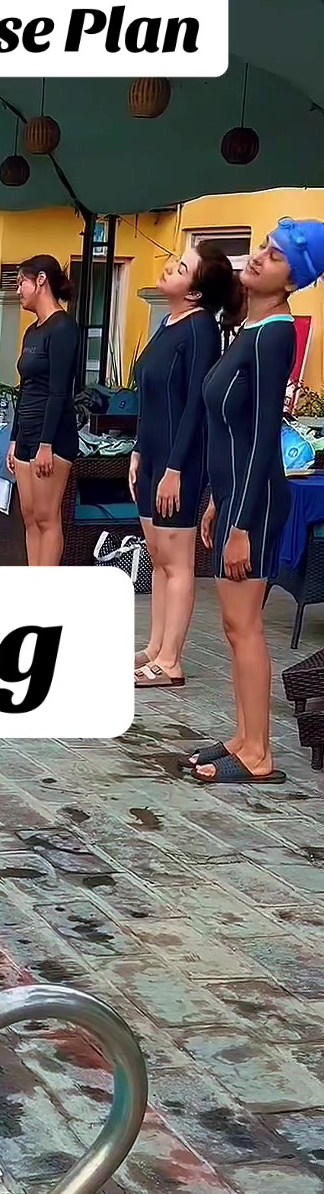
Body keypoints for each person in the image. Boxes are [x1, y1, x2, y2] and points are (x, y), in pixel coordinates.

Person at [191, 218, 324, 786]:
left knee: (245, 625)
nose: (259, 257)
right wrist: (218, 502)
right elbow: (233, 431)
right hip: (238, 497)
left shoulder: (275, 335)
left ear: (293, 278)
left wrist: (242, 521)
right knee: (232, 623)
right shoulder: (251, 329)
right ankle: (244, 738)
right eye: (263, 247)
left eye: (276, 255)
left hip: (258, 502)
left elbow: (265, 434)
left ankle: (259, 755)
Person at [130, 243, 240, 689]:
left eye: (180, 268)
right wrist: (139, 450)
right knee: (158, 558)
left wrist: (175, 468)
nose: (168, 269)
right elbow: (151, 396)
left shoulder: (201, 330)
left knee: (177, 562)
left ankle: (171, 660)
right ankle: (155, 646)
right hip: (153, 456)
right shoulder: (168, 323)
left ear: (194, 293)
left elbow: (196, 404)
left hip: (181, 462)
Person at [6, 256, 80, 567]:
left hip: (53, 435)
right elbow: (24, 388)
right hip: (27, 431)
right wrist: (14, 438)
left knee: (47, 516)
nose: (18, 291)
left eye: (21, 282)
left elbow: (59, 391)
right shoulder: (32, 332)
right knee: (30, 516)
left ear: (40, 281)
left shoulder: (63, 328)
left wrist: (46, 443)